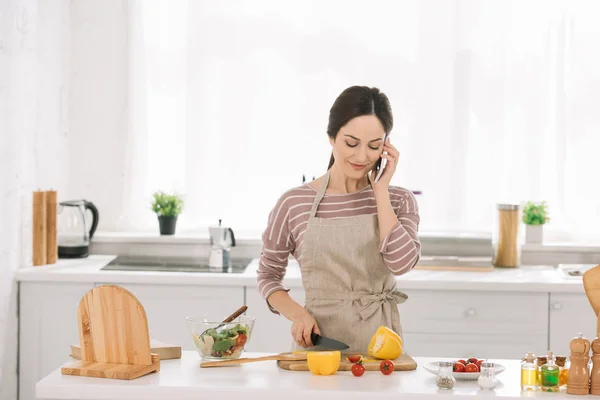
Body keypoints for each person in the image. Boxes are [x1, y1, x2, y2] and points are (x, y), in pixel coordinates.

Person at [256, 85, 421, 353]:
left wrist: (380, 191)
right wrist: (297, 314)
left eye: (374, 146)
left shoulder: (399, 200)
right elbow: (268, 275)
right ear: (332, 137)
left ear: (386, 146)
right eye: (351, 143)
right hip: (318, 347)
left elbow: (401, 264)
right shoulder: (294, 203)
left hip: (381, 349)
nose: (361, 156)